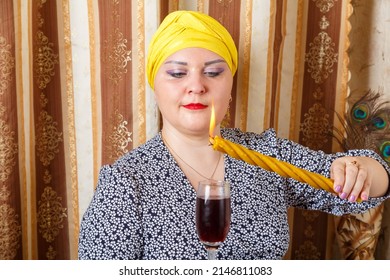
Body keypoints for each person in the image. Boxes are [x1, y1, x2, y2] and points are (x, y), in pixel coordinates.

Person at [78, 10, 390, 260]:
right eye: (177, 73)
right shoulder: (124, 183)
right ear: (154, 86)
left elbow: (378, 179)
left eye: (213, 72)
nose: (197, 86)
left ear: (230, 87)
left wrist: (359, 172)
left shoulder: (268, 155)